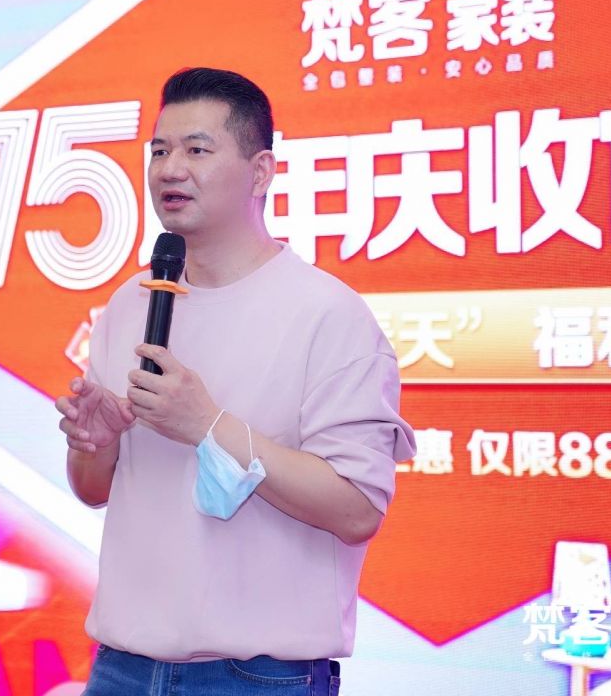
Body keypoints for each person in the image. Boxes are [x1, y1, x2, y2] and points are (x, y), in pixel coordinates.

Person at [55, 68, 416, 695]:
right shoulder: (129, 304)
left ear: (261, 172)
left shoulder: (327, 315)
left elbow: (358, 509)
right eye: (159, 151)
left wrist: (208, 426)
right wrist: (96, 442)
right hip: (122, 668)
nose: (170, 169)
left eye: (197, 149)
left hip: (258, 677)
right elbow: (92, 489)